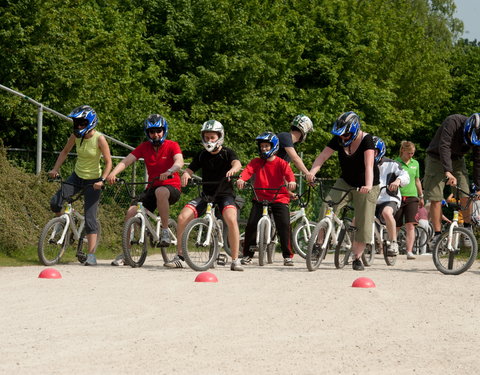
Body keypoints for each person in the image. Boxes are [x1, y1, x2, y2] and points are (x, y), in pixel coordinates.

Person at [164, 120, 243, 271]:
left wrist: (234, 170)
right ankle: (180, 257)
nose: (209, 140)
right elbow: (190, 169)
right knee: (182, 217)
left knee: (231, 218)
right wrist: (186, 175)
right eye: (206, 137)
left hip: (224, 194)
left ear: (220, 137)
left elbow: (237, 163)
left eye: (212, 137)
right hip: (207, 195)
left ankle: (235, 260)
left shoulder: (227, 153)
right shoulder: (201, 155)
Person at [307, 111, 380, 271]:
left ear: (354, 131)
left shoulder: (366, 140)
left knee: (363, 220)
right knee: (326, 206)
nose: (343, 138)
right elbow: (322, 157)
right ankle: (319, 245)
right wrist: (312, 172)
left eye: (346, 135)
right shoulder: (339, 138)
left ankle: (357, 258)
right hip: (346, 181)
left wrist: (367, 185)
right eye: (340, 135)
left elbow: (369, 166)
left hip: (367, 184)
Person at [107, 114, 184, 265]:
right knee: (131, 211)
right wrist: (113, 174)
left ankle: (165, 230)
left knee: (160, 192)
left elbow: (179, 161)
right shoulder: (144, 147)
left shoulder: (172, 145)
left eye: (158, 131)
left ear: (164, 130)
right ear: (147, 133)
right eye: (152, 131)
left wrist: (170, 171)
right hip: (153, 186)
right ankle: (127, 253)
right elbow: (127, 160)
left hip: (171, 186)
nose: (155, 134)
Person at [48, 105, 112, 266]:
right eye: (76, 123)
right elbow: (64, 152)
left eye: (82, 123)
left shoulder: (99, 138)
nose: (78, 126)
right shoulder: (75, 136)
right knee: (56, 202)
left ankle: (91, 254)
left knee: (90, 218)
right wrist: (55, 168)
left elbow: (108, 162)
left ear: (90, 122)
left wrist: (102, 180)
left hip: (94, 181)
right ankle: (63, 226)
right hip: (77, 177)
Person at [236, 132, 297, 266]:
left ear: (273, 147)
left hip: (279, 198)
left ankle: (288, 256)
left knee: (284, 226)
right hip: (259, 198)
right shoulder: (256, 162)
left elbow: (289, 175)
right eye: (262, 146)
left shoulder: (281, 163)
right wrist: (241, 178)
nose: (263, 148)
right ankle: (247, 255)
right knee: (251, 225)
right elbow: (248, 171)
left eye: (266, 146)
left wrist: (292, 182)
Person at [423, 113, 480, 244]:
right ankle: (437, 234)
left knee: (465, 193)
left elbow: (478, 161)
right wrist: (448, 171)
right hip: (436, 157)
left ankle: (467, 228)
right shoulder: (453, 122)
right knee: (436, 197)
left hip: (458, 160)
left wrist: (478, 187)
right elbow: (444, 146)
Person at [373, 136, 410, 256]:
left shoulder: (392, 164)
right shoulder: (364, 164)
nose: (371, 153)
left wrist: (397, 181)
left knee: (387, 213)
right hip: (372, 198)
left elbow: (405, 175)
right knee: (357, 218)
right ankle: (355, 246)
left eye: (374, 151)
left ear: (380, 151)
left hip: (389, 197)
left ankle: (393, 242)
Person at [394, 141, 424, 260]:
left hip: (412, 196)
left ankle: (409, 251)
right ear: (403, 151)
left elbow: (417, 181)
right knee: (396, 224)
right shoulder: (395, 162)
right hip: (398, 196)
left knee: (410, 225)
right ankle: (393, 248)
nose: (411, 155)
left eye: (413, 153)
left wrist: (421, 196)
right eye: (409, 153)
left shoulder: (415, 163)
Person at [276, 114, 314, 181]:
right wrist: (308, 174)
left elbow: (286, 170)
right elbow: (295, 159)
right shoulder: (285, 136)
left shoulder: (288, 146)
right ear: (304, 131)